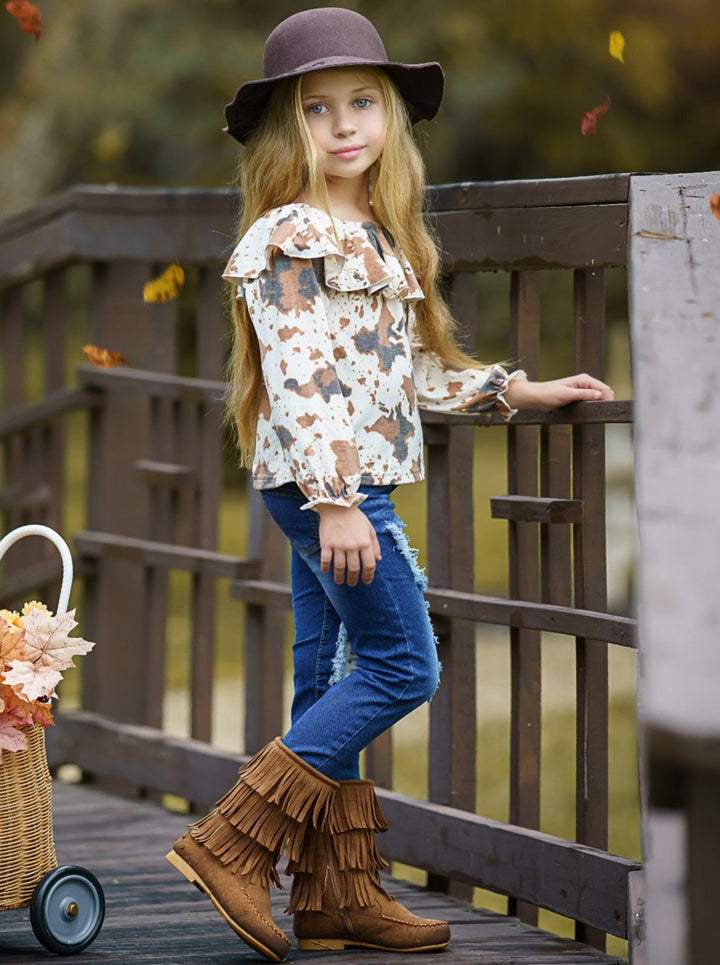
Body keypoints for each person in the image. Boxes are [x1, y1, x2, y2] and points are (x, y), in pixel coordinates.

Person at [166, 7, 614, 962]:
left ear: (390, 115)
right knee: (405, 663)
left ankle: (335, 894)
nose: (343, 125)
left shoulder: (378, 231)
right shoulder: (291, 234)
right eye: (317, 108)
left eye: (362, 102)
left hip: (335, 482)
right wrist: (336, 502)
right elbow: (297, 378)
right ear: (288, 128)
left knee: (327, 677)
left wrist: (514, 388)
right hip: (328, 487)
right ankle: (231, 840)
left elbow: (404, 372)